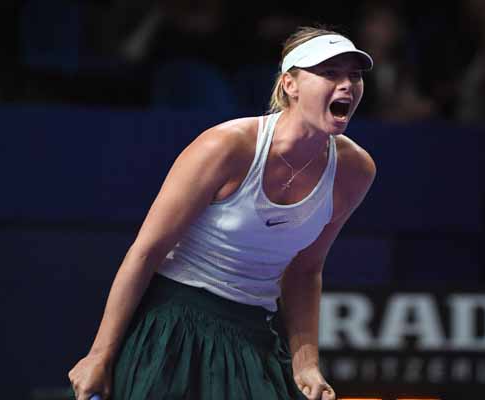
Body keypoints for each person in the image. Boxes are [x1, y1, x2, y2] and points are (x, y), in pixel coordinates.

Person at [68, 26, 376, 400]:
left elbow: (305, 270)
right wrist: (99, 355)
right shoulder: (226, 146)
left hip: (253, 331)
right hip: (172, 319)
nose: (346, 85)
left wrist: (306, 363)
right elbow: (147, 251)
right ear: (290, 85)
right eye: (329, 73)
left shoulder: (354, 170)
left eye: (354, 76)